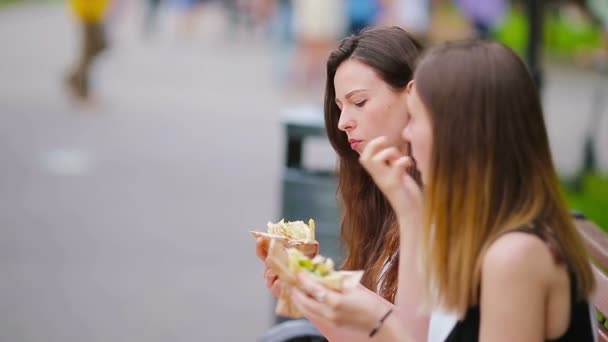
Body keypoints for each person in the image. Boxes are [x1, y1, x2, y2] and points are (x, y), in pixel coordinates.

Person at [289, 39, 597, 341]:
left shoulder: (514, 255)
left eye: (418, 118)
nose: (408, 132)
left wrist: (376, 319)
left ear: (461, 133)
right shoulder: (482, 232)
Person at [256, 26, 428, 341]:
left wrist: (340, 295)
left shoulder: (446, 202)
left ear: (412, 95)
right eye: (339, 107)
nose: (342, 121)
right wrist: (311, 293)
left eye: (359, 102)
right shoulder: (374, 197)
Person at [65, 0, 109, 104]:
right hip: (87, 11)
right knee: (89, 49)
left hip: (95, 11)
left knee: (99, 45)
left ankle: (75, 78)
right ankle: (81, 89)